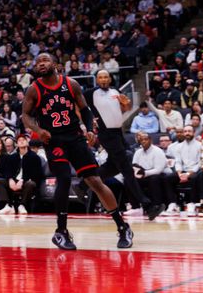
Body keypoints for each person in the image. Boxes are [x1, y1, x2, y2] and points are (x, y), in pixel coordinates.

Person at [21, 53, 133, 250]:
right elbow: (25, 116)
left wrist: (89, 129)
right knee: (63, 179)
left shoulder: (70, 84)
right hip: (53, 141)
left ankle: (123, 226)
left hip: (75, 137)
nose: (41, 64)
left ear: (54, 64)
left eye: (45, 61)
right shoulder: (34, 90)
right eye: (38, 62)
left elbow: (86, 110)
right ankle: (61, 232)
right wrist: (38, 131)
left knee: (95, 181)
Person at [86, 70, 165, 220]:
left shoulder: (115, 91)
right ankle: (147, 206)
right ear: (96, 80)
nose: (103, 79)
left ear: (110, 79)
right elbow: (80, 107)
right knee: (127, 170)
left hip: (118, 132)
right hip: (106, 133)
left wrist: (126, 105)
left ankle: (86, 183)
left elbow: (124, 109)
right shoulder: (91, 93)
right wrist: (87, 123)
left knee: (114, 166)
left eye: (105, 77)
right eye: (100, 77)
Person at [0, 134, 44, 214]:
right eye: (19, 140)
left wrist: (23, 180)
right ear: (16, 144)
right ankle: (8, 205)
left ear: (27, 142)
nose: (21, 141)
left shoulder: (34, 157)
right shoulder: (12, 157)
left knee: (30, 184)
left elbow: (36, 173)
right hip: (14, 180)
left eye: (23, 140)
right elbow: (8, 171)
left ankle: (22, 205)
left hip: (27, 180)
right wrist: (10, 179)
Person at [132, 132, 178, 215]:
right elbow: (134, 165)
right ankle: (136, 207)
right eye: (141, 140)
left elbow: (158, 170)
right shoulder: (138, 152)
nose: (143, 141)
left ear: (150, 140)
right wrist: (137, 173)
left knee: (154, 178)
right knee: (129, 180)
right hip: (144, 174)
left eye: (145, 139)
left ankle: (157, 205)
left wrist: (144, 173)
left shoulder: (158, 151)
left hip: (160, 174)